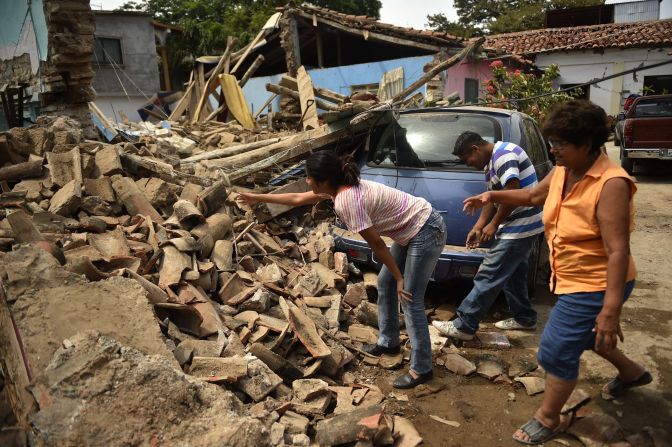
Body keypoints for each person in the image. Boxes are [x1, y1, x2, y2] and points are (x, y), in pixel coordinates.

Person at [462, 100, 651, 445]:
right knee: (589, 338)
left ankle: (548, 417)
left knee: (554, 350)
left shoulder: (611, 184)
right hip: (569, 278)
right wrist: (490, 193)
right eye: (553, 142)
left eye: (561, 143)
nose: (553, 149)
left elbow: (618, 251)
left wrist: (610, 310)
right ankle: (632, 373)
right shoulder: (563, 170)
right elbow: (534, 195)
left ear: (588, 143)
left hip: (597, 283)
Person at [237, 151, 447, 389]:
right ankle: (389, 342)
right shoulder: (337, 187)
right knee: (385, 283)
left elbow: (376, 244)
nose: (307, 181)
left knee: (409, 298)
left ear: (323, 180)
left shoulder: (346, 200)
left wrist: (400, 277)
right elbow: (297, 198)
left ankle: (422, 369)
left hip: (425, 229)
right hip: (409, 230)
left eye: (308, 177)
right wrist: (256, 197)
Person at [432, 131, 543, 341]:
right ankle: (525, 318)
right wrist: (478, 226)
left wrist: (493, 224)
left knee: (489, 272)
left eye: (467, 159)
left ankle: (465, 324)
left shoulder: (504, 156)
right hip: (518, 224)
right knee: (513, 274)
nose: (469, 164)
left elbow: (513, 194)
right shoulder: (491, 162)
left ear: (475, 149)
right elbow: (491, 199)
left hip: (521, 224)